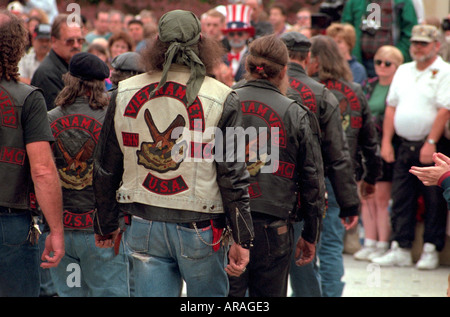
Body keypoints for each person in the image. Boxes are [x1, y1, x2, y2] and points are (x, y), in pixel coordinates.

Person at [93, 10, 254, 297]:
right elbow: (232, 175)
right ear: (202, 41)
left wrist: (106, 224)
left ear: (156, 41)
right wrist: (242, 237)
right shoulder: (222, 97)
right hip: (200, 227)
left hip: (142, 223)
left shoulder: (123, 92)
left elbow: (106, 166)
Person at [228, 34, 325, 297]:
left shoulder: (224, 100)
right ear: (284, 70)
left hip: (226, 222)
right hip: (273, 224)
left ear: (247, 66)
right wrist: (311, 232)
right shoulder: (295, 112)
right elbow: (313, 179)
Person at [281, 31, 361, 297]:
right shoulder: (322, 94)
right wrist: (348, 202)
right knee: (311, 254)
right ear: (309, 59)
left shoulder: (256, 88)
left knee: (264, 262)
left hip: (269, 186)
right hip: (312, 185)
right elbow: (338, 155)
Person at [46, 52, 129, 296]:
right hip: (102, 230)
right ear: (100, 85)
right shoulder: (113, 119)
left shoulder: (48, 119)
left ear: (69, 81)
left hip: (60, 227)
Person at [307, 34, 382, 296]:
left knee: (304, 245)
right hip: (341, 177)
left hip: (308, 177)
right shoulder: (355, 91)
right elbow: (370, 142)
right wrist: (371, 177)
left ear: (312, 59)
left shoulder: (306, 91)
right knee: (331, 245)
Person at [374, 24, 450, 270]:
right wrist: (386, 141)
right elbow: (391, 106)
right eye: (415, 42)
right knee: (402, 196)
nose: (417, 47)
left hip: (432, 145)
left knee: (433, 198)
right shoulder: (404, 69)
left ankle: (430, 248)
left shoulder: (445, 70)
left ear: (436, 45)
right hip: (404, 143)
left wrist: (430, 141)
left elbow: (444, 109)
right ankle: (401, 247)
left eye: (423, 43)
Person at [0, 9, 65, 297]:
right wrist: (57, 231)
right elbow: (42, 170)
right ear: (18, 47)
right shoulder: (28, 98)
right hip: (11, 223)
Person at [354, 45, 404, 261]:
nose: (382, 67)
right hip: (365, 146)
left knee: (381, 198)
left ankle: (383, 243)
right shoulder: (368, 84)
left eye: (387, 63)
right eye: (378, 62)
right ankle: (370, 242)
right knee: (365, 197)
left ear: (397, 67)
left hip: (386, 145)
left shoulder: (399, 87)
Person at [341, 0, 418, 78]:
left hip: (389, 65)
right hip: (361, 61)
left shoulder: (402, 2)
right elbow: (345, 32)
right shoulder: (354, 2)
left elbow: (410, 33)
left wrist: (397, 56)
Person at [31, 14, 84, 110]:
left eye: (80, 41)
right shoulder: (46, 74)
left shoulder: (77, 67)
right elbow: (58, 115)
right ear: (54, 41)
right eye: (70, 41)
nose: (76, 45)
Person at [222, 4, 255, 84]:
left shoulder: (253, 58)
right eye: (232, 34)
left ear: (247, 35)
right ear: (227, 36)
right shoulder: (221, 59)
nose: (235, 37)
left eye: (240, 34)